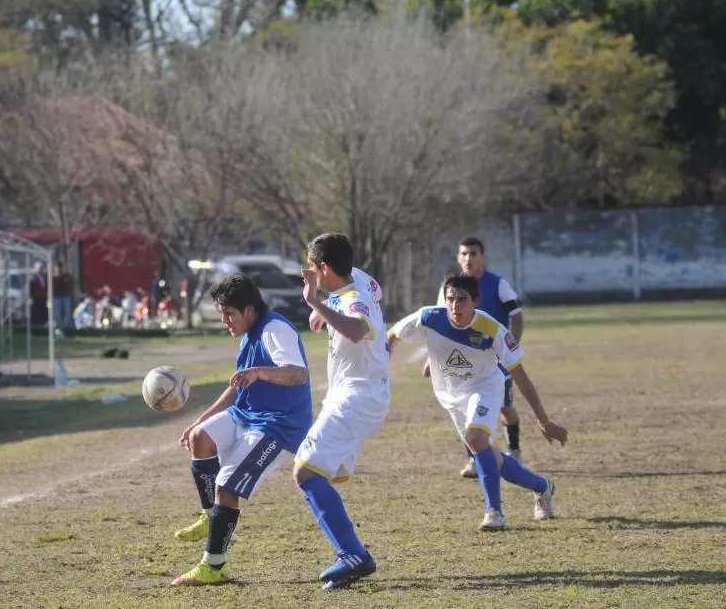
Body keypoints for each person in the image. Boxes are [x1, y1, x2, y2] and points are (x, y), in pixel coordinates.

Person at [389, 273, 568, 530]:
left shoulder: (492, 329)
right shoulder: (429, 317)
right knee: (492, 459)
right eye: (450, 299)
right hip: (451, 397)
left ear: (475, 301)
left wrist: (544, 420)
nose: (454, 306)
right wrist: (378, 370)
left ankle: (494, 512)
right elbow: (393, 334)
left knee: (475, 439)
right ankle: (543, 487)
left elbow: (521, 376)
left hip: (486, 388)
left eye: (462, 300)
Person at [171, 273, 313, 586]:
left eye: (229, 315)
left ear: (249, 310)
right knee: (200, 438)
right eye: (222, 315)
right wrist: (200, 419)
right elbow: (237, 387)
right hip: (247, 414)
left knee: (226, 486)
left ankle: (214, 566)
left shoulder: (274, 328)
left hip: (279, 425)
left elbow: (297, 374)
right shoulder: (249, 334)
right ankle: (211, 516)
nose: (226, 322)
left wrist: (259, 373)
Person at [295, 233, 388, 590]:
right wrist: (327, 305)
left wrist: (316, 303)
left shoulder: (354, 296)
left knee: (305, 470)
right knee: (318, 474)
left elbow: (355, 327)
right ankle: (350, 560)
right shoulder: (357, 279)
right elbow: (367, 294)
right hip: (357, 395)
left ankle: (352, 554)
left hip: (357, 397)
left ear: (324, 268)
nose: (308, 273)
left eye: (312, 267)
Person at [426, 235, 527, 476]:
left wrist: (510, 350)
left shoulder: (498, 284)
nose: (468, 258)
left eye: (473, 254)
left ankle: (513, 448)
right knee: (464, 411)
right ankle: (474, 458)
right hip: (462, 362)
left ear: (484, 258)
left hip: (492, 358)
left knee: (505, 408)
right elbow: (439, 326)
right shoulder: (448, 288)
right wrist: (431, 360)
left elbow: (517, 315)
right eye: (463, 254)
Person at [52, 263, 74, 330]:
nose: (58, 269)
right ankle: (58, 327)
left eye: (60, 267)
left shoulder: (66, 276)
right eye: (57, 268)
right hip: (57, 297)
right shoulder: (53, 277)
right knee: (57, 313)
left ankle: (67, 327)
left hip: (65, 296)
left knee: (68, 312)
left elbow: (71, 285)